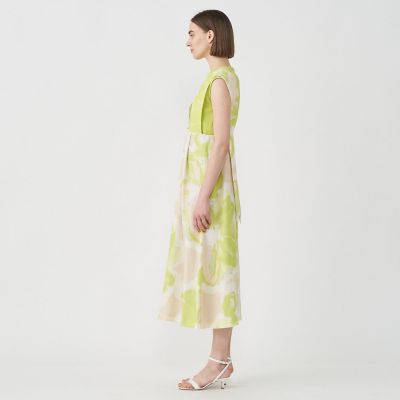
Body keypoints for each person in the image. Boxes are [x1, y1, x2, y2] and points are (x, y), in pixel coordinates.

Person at [157, 9, 242, 391]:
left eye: (192, 33)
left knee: (218, 271)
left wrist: (203, 198)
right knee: (214, 268)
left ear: (211, 36)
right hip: (203, 184)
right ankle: (221, 359)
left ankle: (218, 361)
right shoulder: (219, 78)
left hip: (210, 188)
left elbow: (220, 144)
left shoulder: (220, 82)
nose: (187, 41)